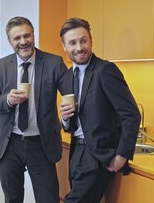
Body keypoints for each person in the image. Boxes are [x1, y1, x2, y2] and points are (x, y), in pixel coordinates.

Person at [0, 16, 67, 203]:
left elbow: (71, 94)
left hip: (42, 144)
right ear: (10, 41)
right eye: (17, 38)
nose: (23, 42)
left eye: (26, 35)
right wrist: (7, 100)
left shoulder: (54, 63)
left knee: (49, 199)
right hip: (9, 144)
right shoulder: (1, 66)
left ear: (33, 34)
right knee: (12, 199)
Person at [59, 17, 141, 202]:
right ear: (64, 47)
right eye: (72, 43)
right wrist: (65, 119)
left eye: (83, 40)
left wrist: (122, 154)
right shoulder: (67, 77)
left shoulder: (106, 70)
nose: (79, 47)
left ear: (91, 41)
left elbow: (131, 114)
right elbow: (75, 122)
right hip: (76, 153)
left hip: (98, 156)